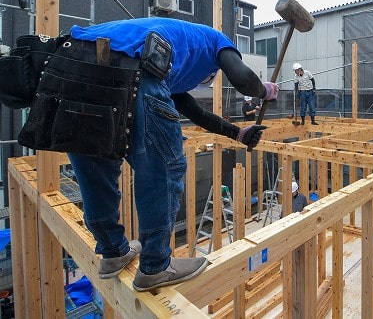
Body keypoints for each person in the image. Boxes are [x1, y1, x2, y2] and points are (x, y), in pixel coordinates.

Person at [18, 18, 279, 292]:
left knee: (96, 162)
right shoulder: (216, 40)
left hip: (70, 70)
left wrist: (237, 134)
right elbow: (243, 78)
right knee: (164, 168)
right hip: (133, 71)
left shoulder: (171, 48)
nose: (203, 81)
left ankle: (113, 251)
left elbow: (190, 109)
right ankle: (156, 265)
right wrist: (264, 91)